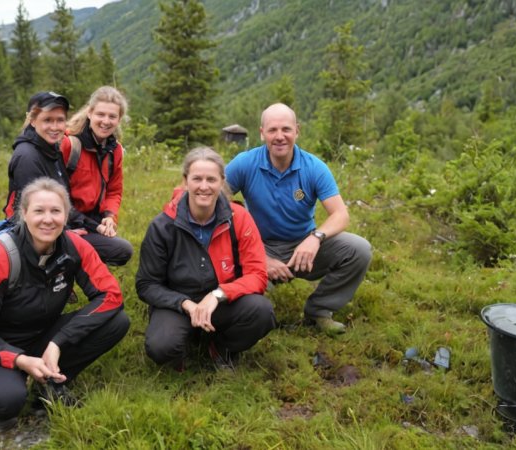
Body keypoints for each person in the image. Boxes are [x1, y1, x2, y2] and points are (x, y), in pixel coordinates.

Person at [0, 178, 130, 432]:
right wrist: (20, 360)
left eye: (56, 211)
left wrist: (57, 343)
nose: (48, 219)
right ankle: (5, 388)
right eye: (39, 211)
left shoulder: (74, 245)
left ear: (67, 215)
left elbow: (111, 296)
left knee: (117, 321)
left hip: (40, 336)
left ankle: (49, 383)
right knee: (9, 402)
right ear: (23, 214)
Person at [225, 103, 372, 334]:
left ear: (297, 131)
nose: (280, 136)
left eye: (286, 129)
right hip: (258, 246)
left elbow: (341, 215)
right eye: (273, 130)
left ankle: (318, 311)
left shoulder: (314, 167)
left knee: (359, 249)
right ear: (262, 133)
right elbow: (212, 202)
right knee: (227, 267)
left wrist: (315, 238)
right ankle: (256, 310)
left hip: (302, 248)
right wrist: (259, 257)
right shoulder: (244, 163)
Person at [136, 147, 275, 370]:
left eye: (211, 179)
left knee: (262, 312)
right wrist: (186, 305)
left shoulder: (239, 218)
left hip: (223, 303)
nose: (204, 186)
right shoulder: (162, 225)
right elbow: (146, 284)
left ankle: (221, 345)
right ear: (185, 181)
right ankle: (187, 339)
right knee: (161, 347)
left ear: (222, 181)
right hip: (177, 304)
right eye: (197, 178)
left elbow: (258, 275)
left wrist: (218, 294)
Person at [59, 86, 133, 266]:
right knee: (71, 246)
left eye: (112, 116)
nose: (105, 121)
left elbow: (114, 191)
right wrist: (93, 226)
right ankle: (61, 271)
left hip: (91, 223)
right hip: (61, 222)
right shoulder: (69, 144)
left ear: (119, 119)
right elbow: (54, 196)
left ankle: (71, 265)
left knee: (123, 250)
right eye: (101, 114)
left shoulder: (114, 151)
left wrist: (109, 217)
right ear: (90, 113)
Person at [3, 91, 71, 219]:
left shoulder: (52, 148)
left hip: (58, 223)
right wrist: (69, 233)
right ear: (33, 121)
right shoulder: (27, 157)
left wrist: (91, 224)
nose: (55, 127)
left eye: (60, 120)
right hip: (35, 233)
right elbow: (35, 215)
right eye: (47, 120)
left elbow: (63, 201)